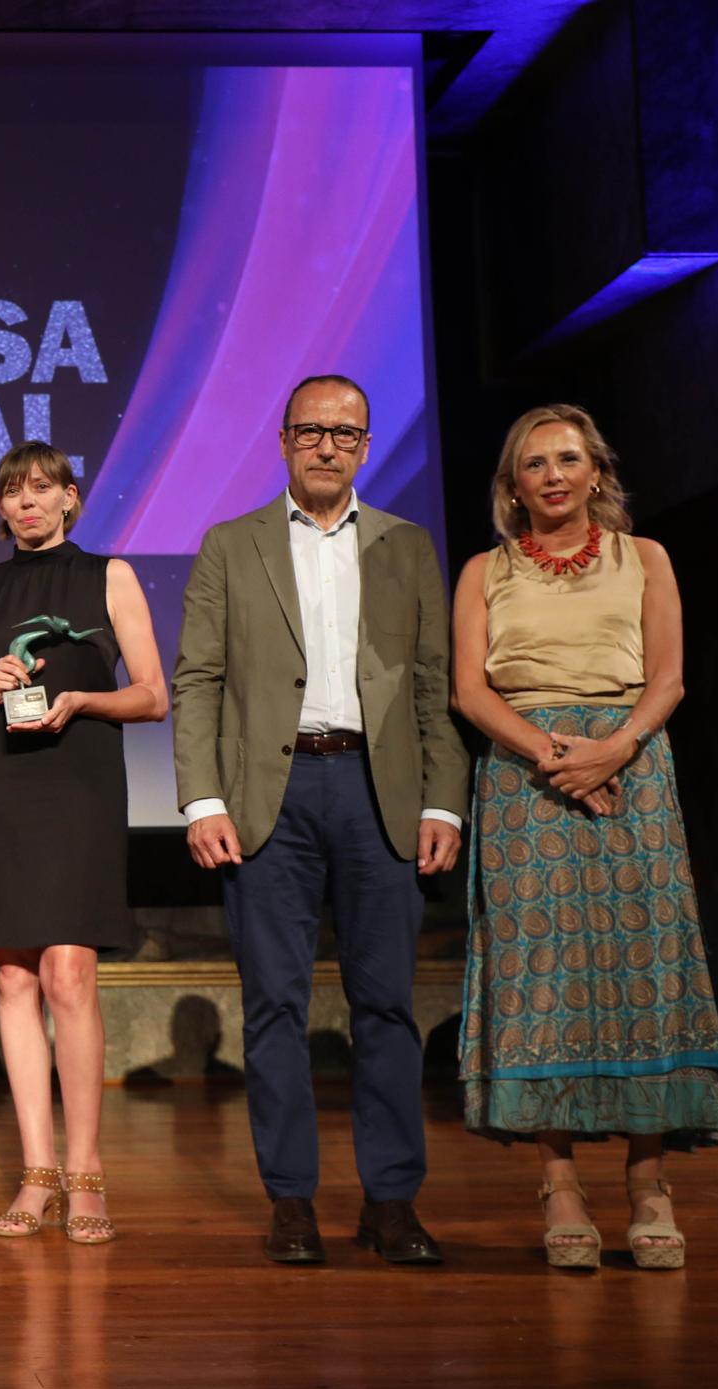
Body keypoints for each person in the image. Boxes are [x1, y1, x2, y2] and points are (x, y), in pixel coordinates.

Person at [172, 374, 469, 1267]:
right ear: (285, 441)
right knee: (274, 1007)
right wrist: (203, 798)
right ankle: (292, 1201)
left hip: (382, 794)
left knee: (385, 1006)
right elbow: (197, 680)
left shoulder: (407, 546)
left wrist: (444, 799)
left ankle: (390, 1202)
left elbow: (432, 683)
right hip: (274, 795)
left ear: (367, 446)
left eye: (346, 434)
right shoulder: (232, 544)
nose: (328, 447)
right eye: (311, 431)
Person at [451, 404, 718, 1271]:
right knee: (547, 974)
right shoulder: (482, 571)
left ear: (598, 472)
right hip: (526, 778)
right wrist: (553, 756)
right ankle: (560, 1181)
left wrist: (611, 750)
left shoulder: (644, 559)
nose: (554, 475)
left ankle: (649, 1184)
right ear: (513, 485)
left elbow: (672, 676)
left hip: (632, 767)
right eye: (534, 464)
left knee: (640, 967)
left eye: (569, 459)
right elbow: (470, 692)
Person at [0, 441, 168, 1245]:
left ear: (71, 497)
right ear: (0, 509)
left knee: (70, 971)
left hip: (75, 785)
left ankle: (86, 1172)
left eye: (42, 490)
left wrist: (82, 700)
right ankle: (36, 1176)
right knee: (15, 978)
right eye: (12, 493)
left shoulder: (111, 576)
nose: (27, 503)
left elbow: (152, 695)